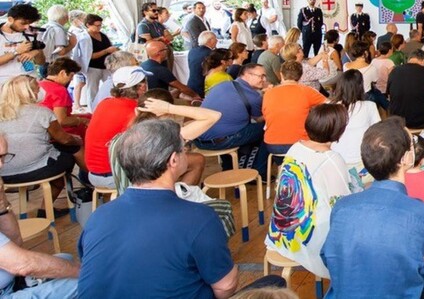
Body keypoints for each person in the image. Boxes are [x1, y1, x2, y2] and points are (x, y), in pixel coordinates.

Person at [79, 119, 235, 298]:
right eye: (184, 148)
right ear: (173, 160)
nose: (186, 151)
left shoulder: (98, 217)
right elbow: (225, 287)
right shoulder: (199, 217)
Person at [322, 118, 424, 298]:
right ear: (405, 159)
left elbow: (328, 257)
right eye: (411, 144)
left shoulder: (341, 208)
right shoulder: (421, 214)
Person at [266, 103, 363, 279]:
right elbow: (342, 204)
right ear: (338, 131)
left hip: (282, 232)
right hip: (310, 237)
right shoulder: (331, 159)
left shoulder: (296, 147)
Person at [0, 132, 80, 296]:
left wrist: (2, 206)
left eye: (3, 157)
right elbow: (22, 264)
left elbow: (16, 241)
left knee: (65, 259)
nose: (1, 165)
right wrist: (82, 272)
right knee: (84, 282)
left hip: (11, 279)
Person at [0, 75, 81, 211]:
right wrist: (77, 140)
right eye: (37, 89)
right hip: (37, 169)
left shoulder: (2, 112)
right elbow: (64, 139)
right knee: (71, 152)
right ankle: (46, 209)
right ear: (29, 92)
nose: (40, 92)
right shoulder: (42, 112)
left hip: (4, 173)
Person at [197, 64, 268, 177]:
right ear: (247, 75)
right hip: (221, 142)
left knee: (228, 125)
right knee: (267, 129)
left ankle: (228, 166)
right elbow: (259, 119)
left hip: (199, 138)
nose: (264, 80)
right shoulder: (254, 97)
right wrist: (269, 98)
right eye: (261, 76)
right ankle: (259, 171)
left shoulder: (223, 84)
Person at [261, 61, 327, 156]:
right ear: (301, 76)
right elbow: (331, 105)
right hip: (300, 143)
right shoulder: (307, 91)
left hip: (272, 145)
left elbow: (266, 116)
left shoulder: (268, 93)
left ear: (281, 74)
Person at [327, 69, 380, 167]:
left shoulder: (330, 107)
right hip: (362, 159)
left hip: (336, 158)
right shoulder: (369, 106)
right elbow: (378, 132)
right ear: (360, 86)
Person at [387, 49, 424, 129]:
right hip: (421, 121)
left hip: (396, 122)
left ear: (409, 59)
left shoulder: (394, 71)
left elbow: (390, 96)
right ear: (423, 60)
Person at [39, 58, 89, 139]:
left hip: (40, 128)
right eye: (71, 75)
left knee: (88, 116)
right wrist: (83, 120)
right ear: (62, 73)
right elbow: (61, 120)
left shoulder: (39, 84)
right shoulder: (59, 90)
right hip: (53, 132)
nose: (72, 79)